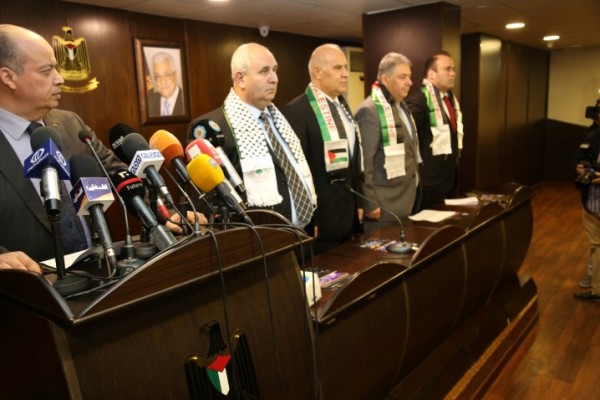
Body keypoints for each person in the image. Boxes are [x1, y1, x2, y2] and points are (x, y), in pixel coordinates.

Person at [0, 25, 198, 272]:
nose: (59, 78)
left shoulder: (70, 124)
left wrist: (164, 212)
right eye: (46, 71)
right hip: (30, 285)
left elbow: (118, 175)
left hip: (100, 272)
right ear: (8, 77)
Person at [189, 43, 316, 229]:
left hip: (301, 232)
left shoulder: (281, 120)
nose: (274, 79)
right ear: (240, 78)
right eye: (264, 71)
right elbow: (205, 204)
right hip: (255, 237)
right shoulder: (210, 128)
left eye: (275, 70)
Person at [282, 44, 362, 253]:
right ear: (317, 72)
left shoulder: (343, 106)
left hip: (348, 215)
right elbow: (296, 172)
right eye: (338, 68)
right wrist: (311, 217)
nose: (345, 74)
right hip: (321, 221)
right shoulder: (296, 111)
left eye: (345, 67)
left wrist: (360, 203)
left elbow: (353, 160)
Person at [354, 52, 420, 233]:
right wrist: (370, 203)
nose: (409, 82)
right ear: (385, 78)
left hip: (406, 199)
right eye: (402, 77)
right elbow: (364, 163)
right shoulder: (369, 111)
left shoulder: (401, 106)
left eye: (409, 76)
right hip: (384, 207)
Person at [406, 51, 462, 209]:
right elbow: (407, 139)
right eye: (448, 69)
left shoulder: (450, 99)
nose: (453, 74)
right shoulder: (419, 99)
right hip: (428, 184)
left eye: (454, 69)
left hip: (448, 181)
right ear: (431, 74)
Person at [573, 114, 600, 302]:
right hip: (592, 202)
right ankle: (597, 290)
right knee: (596, 245)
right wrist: (579, 168)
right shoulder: (592, 137)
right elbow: (576, 160)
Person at [147, 52, 184, 117]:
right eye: (158, 76)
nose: (163, 81)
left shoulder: (186, 100)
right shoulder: (149, 101)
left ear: (175, 75)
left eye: (167, 75)